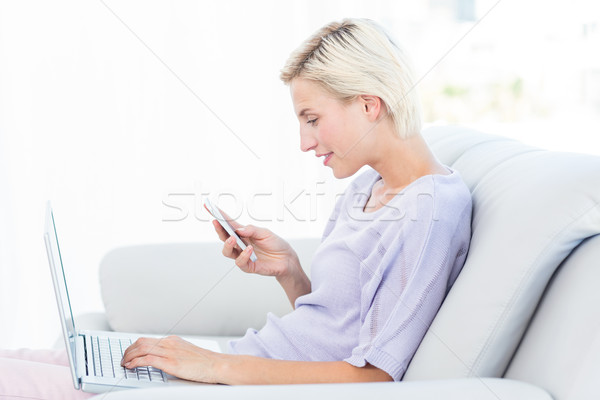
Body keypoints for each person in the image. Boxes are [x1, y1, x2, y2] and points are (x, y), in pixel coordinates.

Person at [0, 18, 472, 397]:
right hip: (242, 363)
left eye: (312, 119)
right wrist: (290, 271)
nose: (305, 142)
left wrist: (212, 367)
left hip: (241, 379)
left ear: (370, 104)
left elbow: (375, 377)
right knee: (22, 361)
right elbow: (336, 326)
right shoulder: (366, 184)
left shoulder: (431, 209)